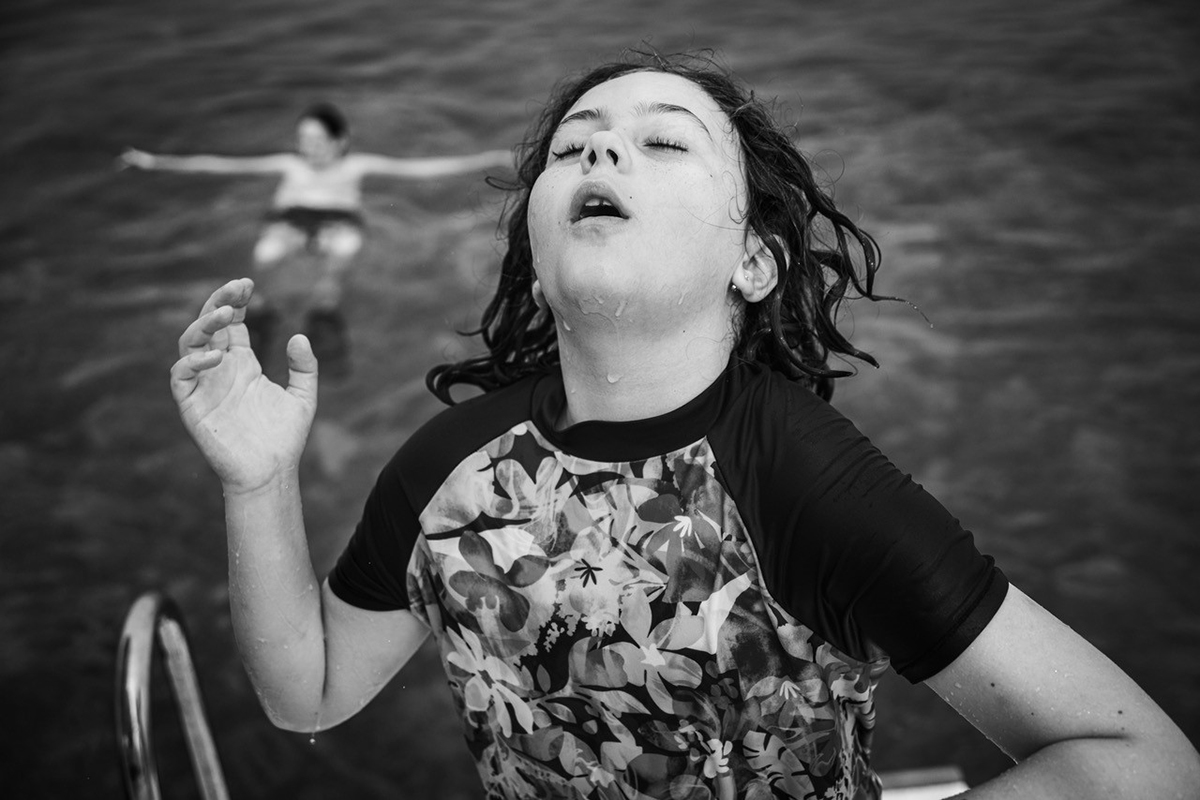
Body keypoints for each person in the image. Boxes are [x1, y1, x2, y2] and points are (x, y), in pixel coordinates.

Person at [169, 52, 1200, 799]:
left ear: (752, 261)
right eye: (572, 145)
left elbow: (1139, 761)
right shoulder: (449, 469)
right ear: (534, 252)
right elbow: (309, 691)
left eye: (662, 140)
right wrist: (259, 483)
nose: (601, 145)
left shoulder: (802, 481)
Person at [124, 102, 510, 373]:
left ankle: (325, 309)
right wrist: (154, 161)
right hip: (289, 221)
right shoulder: (289, 165)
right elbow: (220, 164)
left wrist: (487, 159)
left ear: (340, 140)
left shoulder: (355, 165)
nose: (308, 148)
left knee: (343, 251)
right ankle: (261, 312)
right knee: (268, 253)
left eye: (316, 140)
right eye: (303, 140)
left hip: (338, 223)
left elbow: (421, 169)